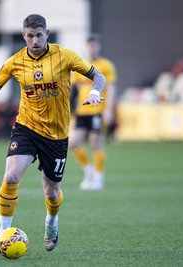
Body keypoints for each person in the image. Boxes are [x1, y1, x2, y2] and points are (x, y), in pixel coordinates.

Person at [0, 14, 106, 252]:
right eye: (30, 36)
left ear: (47, 34)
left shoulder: (65, 56)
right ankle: (2, 233)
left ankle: (51, 221)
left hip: (57, 135)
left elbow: (97, 76)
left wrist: (94, 93)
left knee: (51, 191)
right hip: (26, 128)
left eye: (39, 35)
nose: (35, 40)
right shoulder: (15, 62)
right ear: (24, 36)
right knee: (11, 177)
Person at [69, 34, 117, 191]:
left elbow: (111, 89)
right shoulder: (80, 66)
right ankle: (88, 171)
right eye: (89, 45)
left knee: (96, 143)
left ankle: (99, 178)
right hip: (82, 111)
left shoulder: (106, 65)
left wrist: (109, 110)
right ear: (86, 47)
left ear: (99, 47)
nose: (92, 48)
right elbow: (72, 90)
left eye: (94, 45)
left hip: (98, 110)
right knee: (73, 144)